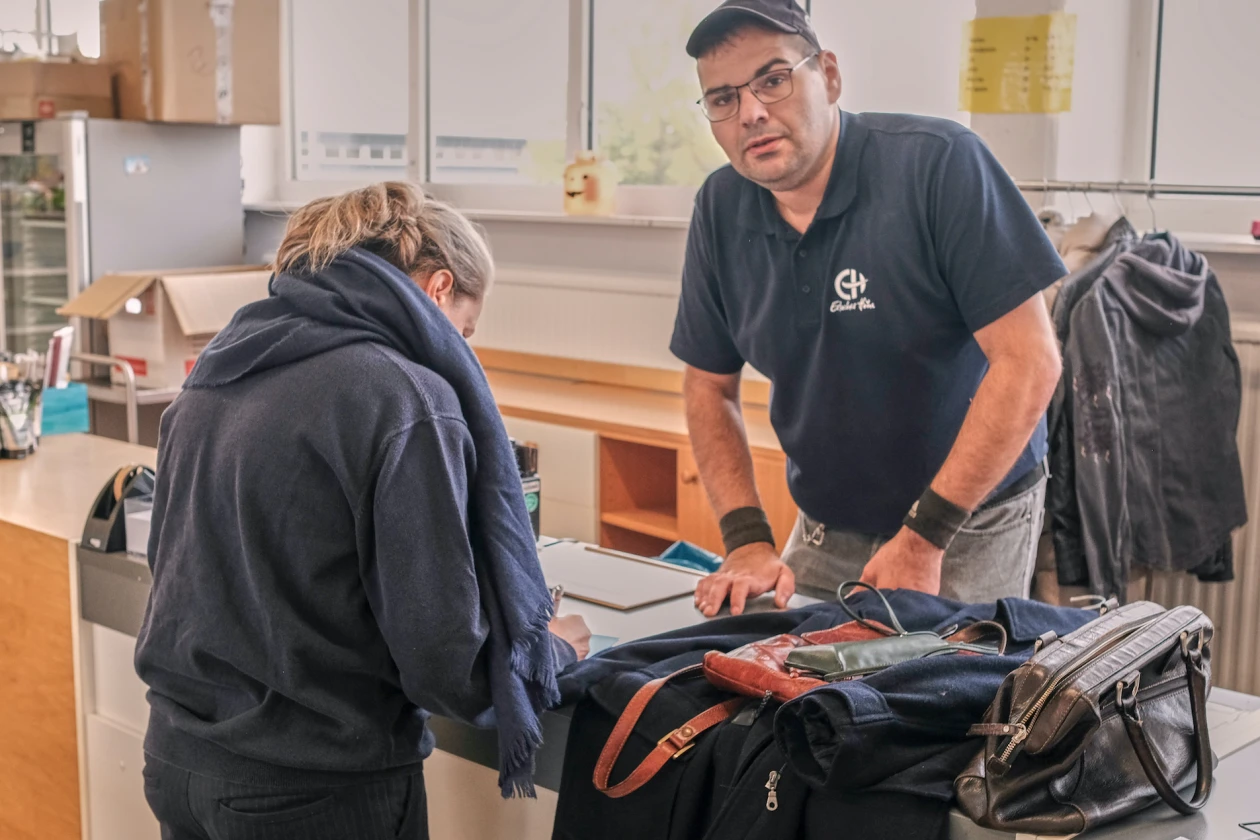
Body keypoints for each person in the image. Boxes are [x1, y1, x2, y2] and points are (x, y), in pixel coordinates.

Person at [135, 182, 590, 840]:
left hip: (178, 761)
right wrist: (548, 652)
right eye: (465, 331)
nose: (464, 354)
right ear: (435, 291)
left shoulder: (221, 364)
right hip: (313, 789)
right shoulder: (402, 396)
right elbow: (445, 665)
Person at [676, 0, 1066, 617]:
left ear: (828, 76)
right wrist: (747, 541)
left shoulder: (940, 163)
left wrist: (924, 537)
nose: (751, 112)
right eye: (723, 98)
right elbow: (708, 385)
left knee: (947, 698)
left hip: (965, 518)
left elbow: (1029, 362)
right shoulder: (720, 208)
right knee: (799, 694)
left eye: (773, 80)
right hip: (829, 522)